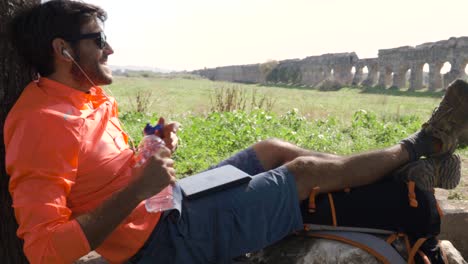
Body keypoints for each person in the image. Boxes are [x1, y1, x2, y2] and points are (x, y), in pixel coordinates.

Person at [4, 1, 465, 263]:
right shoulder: (42, 124)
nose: (110, 47)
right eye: (97, 39)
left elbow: (101, 174)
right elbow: (45, 250)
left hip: (169, 206)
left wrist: (153, 150)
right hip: (159, 243)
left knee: (271, 149)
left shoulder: (83, 97)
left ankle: (404, 170)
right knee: (301, 171)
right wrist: (139, 188)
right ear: (63, 49)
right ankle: (424, 146)